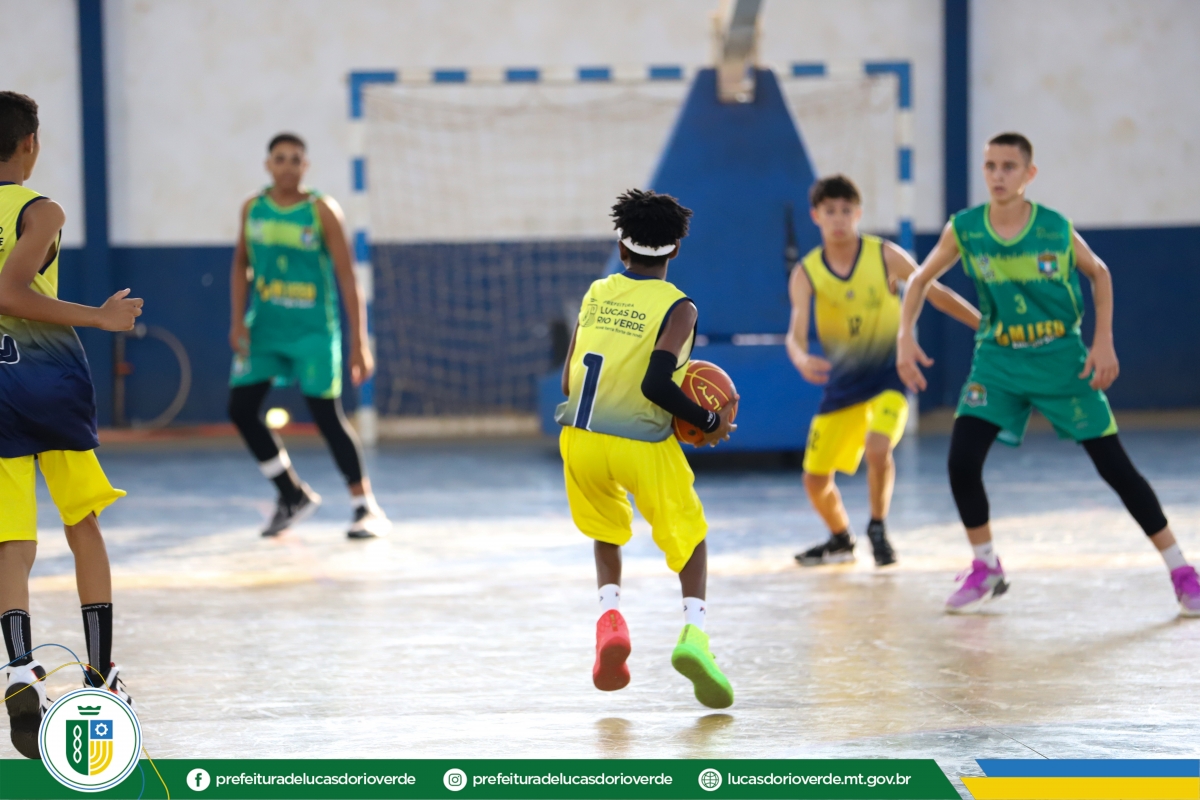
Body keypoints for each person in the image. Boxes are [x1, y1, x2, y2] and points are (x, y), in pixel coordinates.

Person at [897, 132, 1200, 616]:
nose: (998, 175)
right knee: (961, 462)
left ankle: (1182, 570)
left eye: (1009, 167)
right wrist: (904, 337)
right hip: (998, 361)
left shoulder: (1054, 228)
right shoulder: (966, 228)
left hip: (1060, 359)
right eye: (991, 166)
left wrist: (1102, 341)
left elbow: (1099, 272)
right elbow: (919, 279)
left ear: (1029, 174)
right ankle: (986, 565)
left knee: (1115, 468)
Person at [556, 189, 738, 708]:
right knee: (690, 537)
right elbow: (656, 384)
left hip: (581, 440)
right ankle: (694, 636)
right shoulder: (679, 308)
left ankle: (610, 620)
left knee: (606, 531)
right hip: (640, 441)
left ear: (622, 247)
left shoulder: (596, 293)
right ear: (675, 249)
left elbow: (568, 382)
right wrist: (707, 419)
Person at [0, 92, 140, 759]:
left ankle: (18, 667)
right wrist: (100, 317)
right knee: (82, 523)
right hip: (48, 378)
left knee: (10, 541)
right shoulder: (42, 210)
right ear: (29, 144)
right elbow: (11, 291)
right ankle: (101, 673)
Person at [788, 175, 979, 567]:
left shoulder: (885, 255)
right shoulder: (806, 273)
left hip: (889, 377)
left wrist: (985, 325)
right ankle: (841, 539)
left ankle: (878, 526)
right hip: (843, 385)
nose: (838, 219)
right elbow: (795, 335)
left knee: (878, 448)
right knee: (815, 480)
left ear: (858, 214)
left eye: (846, 210)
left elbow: (936, 292)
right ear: (816, 216)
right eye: (830, 211)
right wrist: (802, 358)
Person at [228, 133, 390, 539]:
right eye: (280, 158)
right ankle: (291, 493)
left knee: (326, 416)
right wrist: (237, 320)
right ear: (268, 165)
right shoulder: (253, 208)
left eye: (295, 159)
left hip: (314, 330)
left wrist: (360, 342)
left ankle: (365, 506)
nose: (288, 166)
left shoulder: (321, 210)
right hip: (265, 327)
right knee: (241, 409)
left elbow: (348, 278)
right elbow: (240, 266)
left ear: (306, 166)